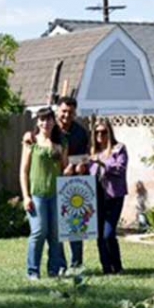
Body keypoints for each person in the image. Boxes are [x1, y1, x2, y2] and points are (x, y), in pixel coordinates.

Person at [20, 107, 67, 280]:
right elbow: (23, 172)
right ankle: (33, 271)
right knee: (39, 232)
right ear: (37, 122)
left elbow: (64, 169)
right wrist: (26, 196)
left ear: (54, 122)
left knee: (55, 234)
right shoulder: (30, 142)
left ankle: (55, 270)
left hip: (56, 194)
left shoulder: (59, 145)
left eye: (48, 119)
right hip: (37, 195)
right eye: (42, 120)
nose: (45, 123)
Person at [56, 97, 91, 271]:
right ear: (58, 111)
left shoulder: (81, 132)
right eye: (63, 111)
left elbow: (86, 156)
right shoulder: (50, 130)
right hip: (53, 184)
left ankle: (77, 264)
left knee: (75, 225)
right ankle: (60, 264)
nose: (66, 115)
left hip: (74, 184)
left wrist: (77, 164)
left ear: (75, 113)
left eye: (70, 112)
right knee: (57, 229)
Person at [90, 118, 128, 275]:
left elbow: (121, 167)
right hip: (96, 196)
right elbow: (86, 170)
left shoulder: (118, 149)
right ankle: (106, 268)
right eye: (97, 132)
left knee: (108, 234)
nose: (100, 135)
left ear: (109, 132)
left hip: (114, 196)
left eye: (103, 132)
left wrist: (103, 164)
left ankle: (117, 266)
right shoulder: (92, 152)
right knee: (99, 235)